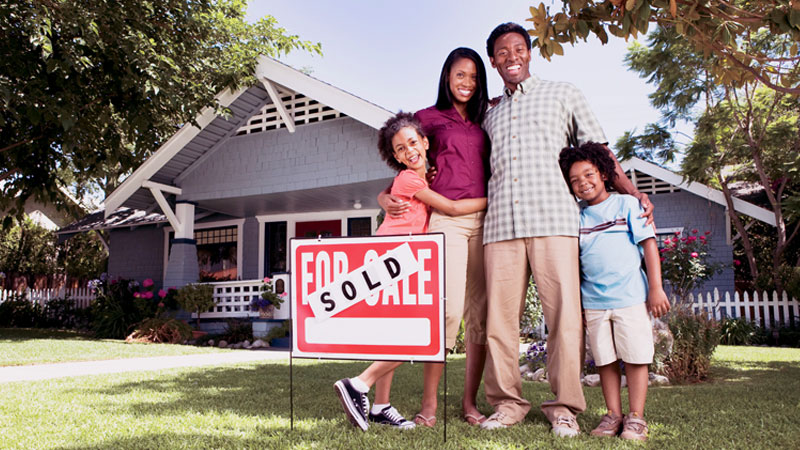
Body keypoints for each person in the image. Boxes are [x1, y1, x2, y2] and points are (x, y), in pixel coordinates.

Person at [478, 22, 654, 436]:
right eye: (502, 52)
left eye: (518, 48)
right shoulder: (489, 112)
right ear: (493, 61)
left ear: (529, 53)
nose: (511, 56)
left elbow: (599, 151)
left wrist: (633, 193)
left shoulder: (563, 93)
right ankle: (507, 404)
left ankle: (564, 408)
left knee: (565, 320)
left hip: (555, 220)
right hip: (501, 224)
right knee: (500, 323)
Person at [335, 112, 487, 431]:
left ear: (425, 142)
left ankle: (380, 406)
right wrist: (494, 199)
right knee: (421, 333)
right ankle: (359, 384)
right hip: (391, 259)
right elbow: (454, 208)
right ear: (394, 157)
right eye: (400, 149)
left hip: (404, 259)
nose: (409, 150)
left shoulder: (422, 178)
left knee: (392, 335)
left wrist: (384, 196)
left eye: (412, 143)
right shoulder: (408, 180)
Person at [378, 47, 491, 427]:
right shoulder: (426, 120)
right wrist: (383, 197)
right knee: (448, 312)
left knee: (481, 316)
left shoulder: (485, 119)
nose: (467, 83)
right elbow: (403, 170)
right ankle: (429, 405)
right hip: (448, 219)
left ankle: (469, 403)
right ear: (447, 77)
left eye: (474, 77)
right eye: (460, 75)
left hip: (488, 223)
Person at [558, 142, 670, 441]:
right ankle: (613, 415)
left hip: (631, 298)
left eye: (589, 174)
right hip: (594, 302)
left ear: (604, 174)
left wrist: (656, 288)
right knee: (605, 360)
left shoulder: (626, 205)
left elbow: (648, 245)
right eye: (575, 180)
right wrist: (580, 306)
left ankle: (635, 417)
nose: (583, 182)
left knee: (635, 357)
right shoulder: (576, 217)